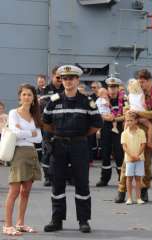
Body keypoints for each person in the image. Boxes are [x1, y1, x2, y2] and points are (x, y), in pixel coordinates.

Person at [42, 65, 102, 233]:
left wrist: (80, 135)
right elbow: (45, 122)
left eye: (71, 78)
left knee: (82, 183)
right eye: (65, 78)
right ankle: (57, 220)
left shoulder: (87, 102)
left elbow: (97, 124)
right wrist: (58, 134)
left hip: (79, 146)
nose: (68, 81)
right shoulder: (53, 101)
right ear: (61, 80)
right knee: (57, 183)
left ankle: (83, 220)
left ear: (77, 80)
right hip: (59, 146)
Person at [114, 69, 152, 203]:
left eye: (143, 82)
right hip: (132, 129)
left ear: (149, 81)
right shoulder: (134, 92)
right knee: (127, 161)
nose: (141, 85)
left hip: (148, 130)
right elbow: (126, 109)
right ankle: (121, 190)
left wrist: (138, 114)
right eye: (139, 82)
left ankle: (144, 189)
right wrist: (131, 114)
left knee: (146, 163)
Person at [3, 84, 43, 236]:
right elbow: (15, 132)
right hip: (18, 153)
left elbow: (39, 138)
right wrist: (30, 132)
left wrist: (24, 131)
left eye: (30, 95)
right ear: (20, 97)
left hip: (31, 153)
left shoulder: (34, 116)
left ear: (34, 99)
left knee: (26, 191)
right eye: (24, 94)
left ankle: (20, 223)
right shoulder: (14, 113)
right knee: (14, 191)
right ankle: (7, 225)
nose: (27, 97)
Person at [96, 77, 126, 187]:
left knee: (119, 154)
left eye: (114, 87)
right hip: (105, 128)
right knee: (105, 154)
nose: (112, 89)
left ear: (118, 88)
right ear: (107, 88)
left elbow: (127, 115)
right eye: (110, 87)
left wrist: (114, 119)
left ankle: (121, 178)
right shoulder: (103, 99)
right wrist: (105, 117)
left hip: (119, 128)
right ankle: (104, 178)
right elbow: (98, 112)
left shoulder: (124, 99)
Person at [39, 66, 65, 187]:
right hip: (49, 125)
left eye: (62, 77)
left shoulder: (66, 87)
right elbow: (44, 103)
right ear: (53, 76)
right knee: (48, 151)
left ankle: (68, 177)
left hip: (63, 125)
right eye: (58, 77)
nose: (60, 79)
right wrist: (58, 99)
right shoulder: (46, 89)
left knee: (65, 151)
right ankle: (48, 177)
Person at [121, 111, 146, 205]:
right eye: (127, 121)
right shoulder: (124, 133)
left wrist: (138, 155)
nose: (129, 122)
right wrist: (131, 156)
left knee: (138, 179)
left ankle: (138, 198)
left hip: (139, 159)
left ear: (136, 121)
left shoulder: (141, 132)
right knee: (129, 179)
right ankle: (129, 198)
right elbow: (124, 146)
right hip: (129, 160)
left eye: (131, 120)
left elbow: (143, 145)